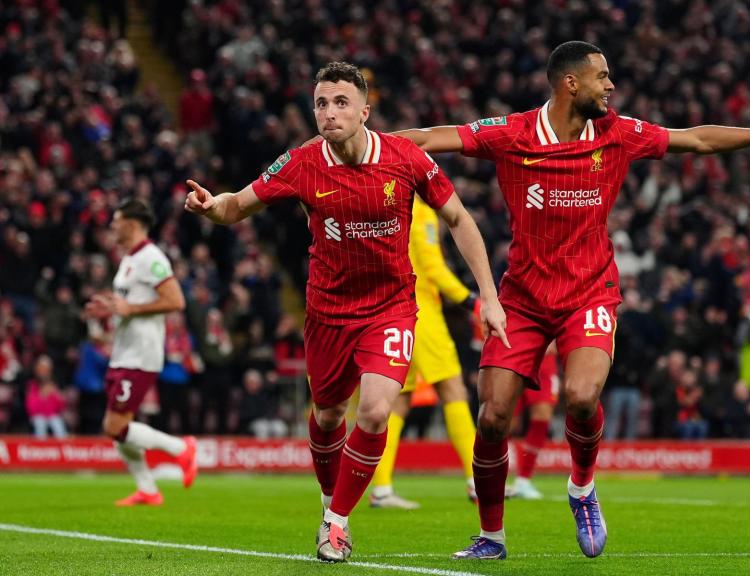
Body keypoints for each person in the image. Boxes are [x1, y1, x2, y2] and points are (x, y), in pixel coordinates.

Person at [395, 41, 750, 559]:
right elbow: (429, 138)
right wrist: (358, 146)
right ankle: (491, 537)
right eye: (602, 76)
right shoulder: (513, 133)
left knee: (582, 397)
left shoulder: (618, 132)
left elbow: (694, 139)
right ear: (570, 83)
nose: (610, 86)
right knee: (493, 415)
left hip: (589, 292)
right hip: (522, 299)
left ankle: (581, 488)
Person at [184, 62, 508, 563]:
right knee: (328, 413)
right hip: (328, 313)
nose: (329, 113)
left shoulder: (405, 157)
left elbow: (459, 219)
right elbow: (238, 205)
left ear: (364, 111)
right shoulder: (301, 163)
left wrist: (487, 293)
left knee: (377, 411)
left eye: (340, 103)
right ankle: (329, 500)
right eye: (320, 103)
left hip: (392, 308)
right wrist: (212, 207)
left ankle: (335, 524)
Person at [368, 194, 481, 509]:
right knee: (453, 388)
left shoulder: (387, 206)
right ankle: (478, 480)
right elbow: (432, 267)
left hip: (393, 310)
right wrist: (470, 300)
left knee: (399, 402)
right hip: (423, 315)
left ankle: (381, 488)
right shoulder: (421, 211)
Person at [83, 198, 198, 507]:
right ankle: (147, 489)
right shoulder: (129, 259)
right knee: (119, 426)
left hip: (141, 353)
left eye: (116, 220)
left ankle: (181, 448)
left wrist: (130, 308)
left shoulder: (151, 258)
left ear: (132, 224)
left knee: (114, 426)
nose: (111, 225)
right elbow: (127, 303)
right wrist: (109, 308)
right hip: (123, 350)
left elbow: (176, 301)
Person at [506, 343, 560, 500]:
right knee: (506, 423)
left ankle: (523, 480)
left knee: (542, 417)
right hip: (515, 356)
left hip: (544, 363)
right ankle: (489, 477)